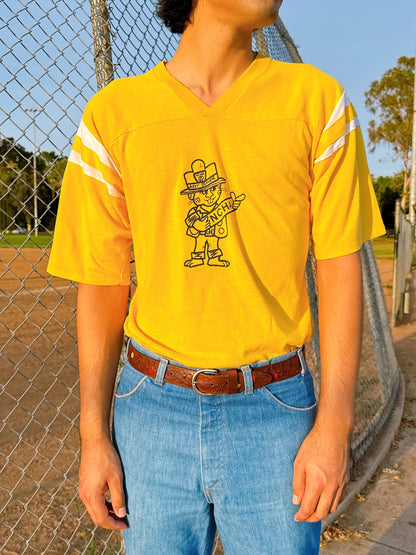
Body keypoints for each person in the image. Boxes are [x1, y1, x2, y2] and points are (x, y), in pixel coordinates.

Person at [47, 0, 386, 552]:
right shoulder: (114, 116)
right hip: (150, 409)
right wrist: (94, 437)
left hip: (276, 410)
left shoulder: (317, 103)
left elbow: (340, 265)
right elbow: (101, 283)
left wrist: (334, 428)